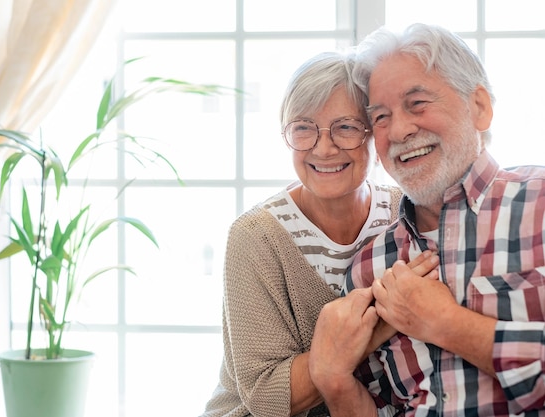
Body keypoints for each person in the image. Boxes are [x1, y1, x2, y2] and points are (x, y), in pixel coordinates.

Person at [308, 23, 545, 416]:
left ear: (479, 107)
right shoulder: (369, 268)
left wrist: (447, 323)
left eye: (417, 104)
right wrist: (332, 379)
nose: (399, 129)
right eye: (380, 117)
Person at [200, 51, 439, 417]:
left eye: (345, 127)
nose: (323, 148)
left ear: (373, 133)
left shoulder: (405, 212)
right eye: (303, 127)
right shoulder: (255, 237)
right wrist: (379, 323)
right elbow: (265, 397)